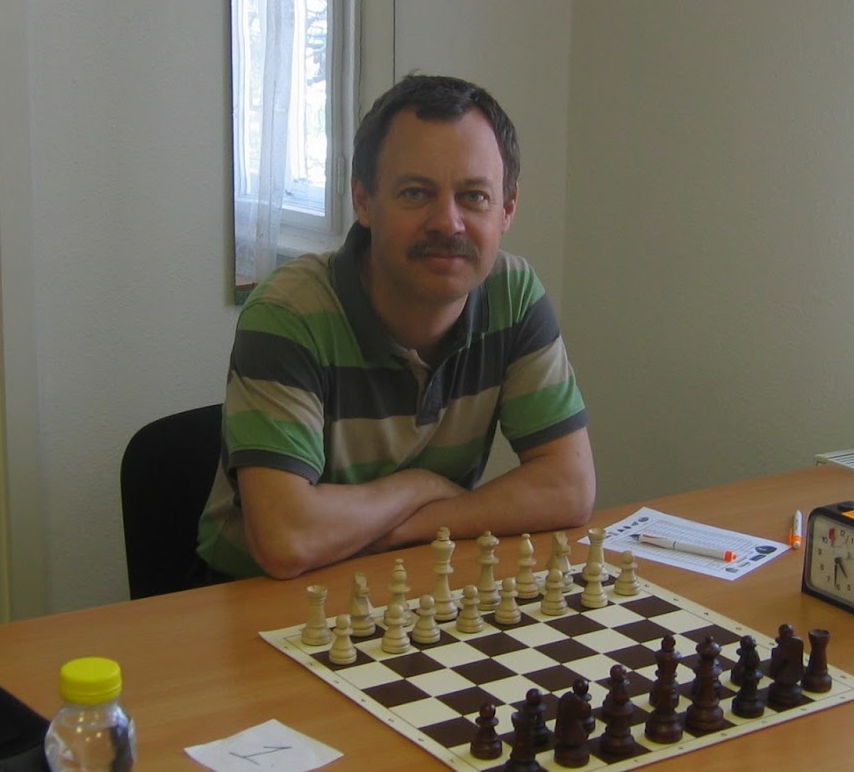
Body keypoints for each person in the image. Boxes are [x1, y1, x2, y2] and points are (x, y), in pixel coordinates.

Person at [196, 73, 595, 580]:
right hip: (259, 597)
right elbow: (286, 540)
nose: (447, 222)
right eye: (415, 193)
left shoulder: (513, 296)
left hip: (414, 578)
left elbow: (568, 488)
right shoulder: (288, 312)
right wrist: (420, 486)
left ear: (507, 210)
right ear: (364, 201)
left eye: (474, 196)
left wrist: (409, 526)